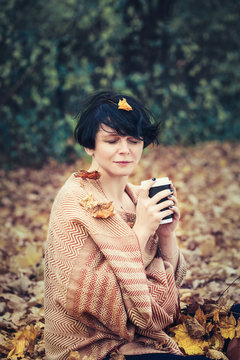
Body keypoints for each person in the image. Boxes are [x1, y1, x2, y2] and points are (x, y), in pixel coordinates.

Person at [44, 91, 240, 360]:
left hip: (146, 331)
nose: (125, 150)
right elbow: (91, 301)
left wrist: (166, 235)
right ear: (90, 146)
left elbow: (170, 286)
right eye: (112, 140)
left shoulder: (137, 197)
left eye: (134, 140)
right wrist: (142, 230)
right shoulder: (75, 201)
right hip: (94, 347)